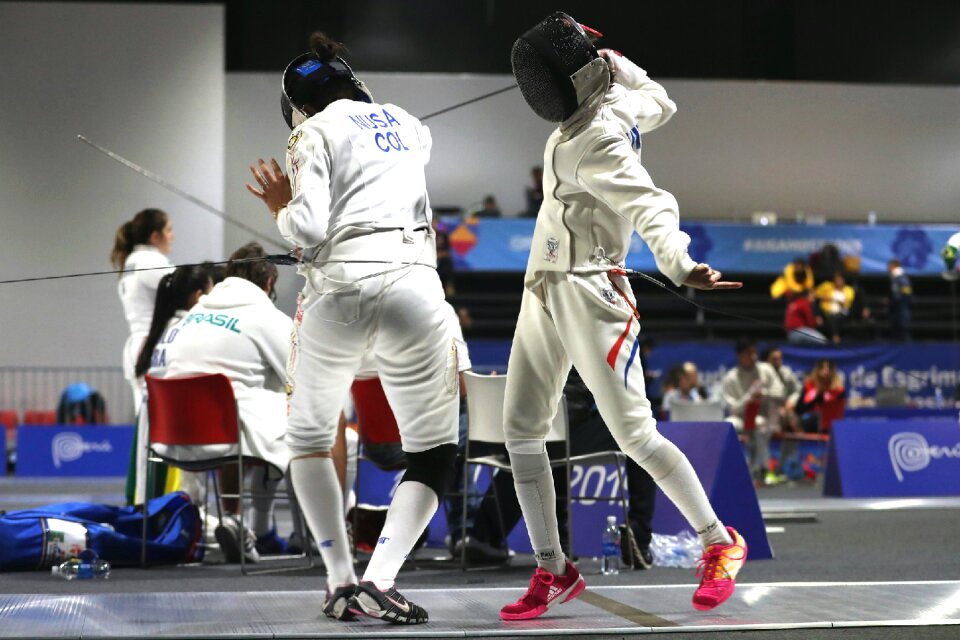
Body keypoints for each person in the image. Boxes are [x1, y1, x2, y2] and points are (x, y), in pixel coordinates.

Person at [499, 12, 748, 620]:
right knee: (521, 432)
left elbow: (650, 201)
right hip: (544, 288)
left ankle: (720, 542)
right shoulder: (615, 103)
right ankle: (554, 569)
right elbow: (660, 101)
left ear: (575, 77)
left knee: (634, 435)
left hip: (591, 293)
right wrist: (615, 65)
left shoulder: (602, 138)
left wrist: (679, 261)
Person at [245, 32, 460, 625]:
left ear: (299, 104)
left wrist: (278, 208)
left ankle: (340, 582)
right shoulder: (411, 124)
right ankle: (381, 579)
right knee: (435, 450)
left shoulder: (309, 131)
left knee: (310, 439)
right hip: (415, 289)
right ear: (353, 80)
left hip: (338, 295)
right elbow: (409, 147)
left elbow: (307, 230)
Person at [161, 243, 294, 563]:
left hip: (175, 438)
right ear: (269, 283)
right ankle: (313, 535)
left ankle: (236, 522)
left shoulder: (192, 315)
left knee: (236, 417)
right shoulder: (268, 316)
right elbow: (300, 377)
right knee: (314, 426)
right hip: (234, 435)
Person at [127, 265, 213, 507]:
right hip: (181, 434)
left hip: (151, 433)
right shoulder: (196, 329)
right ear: (198, 296)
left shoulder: (158, 331)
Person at [111, 209, 175, 416]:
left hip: (138, 347)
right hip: (153, 349)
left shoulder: (132, 261)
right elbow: (186, 290)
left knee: (146, 418)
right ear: (155, 236)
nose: (172, 236)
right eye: (169, 230)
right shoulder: (149, 261)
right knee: (157, 419)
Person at [721, 339, 785, 484]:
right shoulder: (731, 378)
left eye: (754, 353)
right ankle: (733, 470)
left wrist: (764, 393)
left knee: (759, 424)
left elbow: (781, 393)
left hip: (762, 416)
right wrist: (750, 395)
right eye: (749, 354)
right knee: (728, 424)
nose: (753, 357)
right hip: (740, 418)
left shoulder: (766, 370)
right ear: (739, 355)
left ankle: (763, 469)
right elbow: (733, 408)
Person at [795, 359, 846, 434]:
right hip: (811, 423)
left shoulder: (839, 391)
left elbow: (838, 412)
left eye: (829, 368)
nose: (826, 371)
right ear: (817, 371)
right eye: (822, 368)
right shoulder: (809, 387)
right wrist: (817, 396)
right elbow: (799, 409)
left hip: (831, 426)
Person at [814, 272, 855, 343]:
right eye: (836, 279)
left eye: (840, 280)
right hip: (827, 312)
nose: (838, 281)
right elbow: (815, 294)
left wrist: (830, 299)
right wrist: (831, 299)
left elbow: (846, 303)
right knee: (831, 317)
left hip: (842, 312)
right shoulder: (826, 286)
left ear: (843, 281)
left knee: (835, 317)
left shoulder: (849, 290)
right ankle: (835, 336)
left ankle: (835, 336)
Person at [887, 259, 913, 341]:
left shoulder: (901, 278)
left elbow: (907, 293)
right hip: (897, 308)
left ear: (893, 266)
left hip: (901, 307)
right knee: (897, 331)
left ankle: (908, 349)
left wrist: (898, 300)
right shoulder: (895, 278)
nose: (888, 269)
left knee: (903, 330)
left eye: (889, 267)